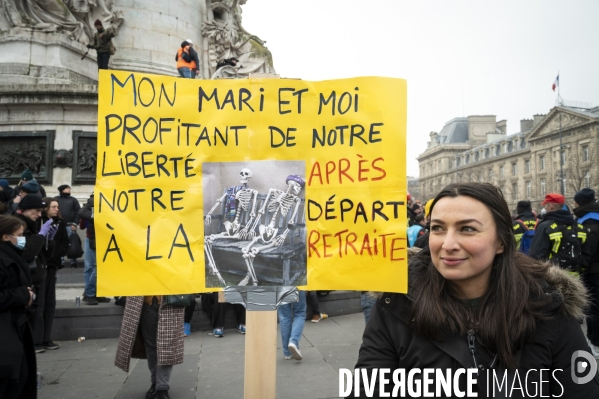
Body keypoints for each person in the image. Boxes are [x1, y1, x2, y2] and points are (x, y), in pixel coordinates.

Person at [354, 183, 599, 396]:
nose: (447, 244)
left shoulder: (548, 305)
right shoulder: (395, 304)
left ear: (501, 241)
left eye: (467, 229)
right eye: (438, 228)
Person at [115, 296, 185, 399]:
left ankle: (162, 387)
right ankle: (156, 382)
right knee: (151, 345)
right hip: (144, 300)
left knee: (167, 346)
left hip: (171, 297)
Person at [14, 195, 57, 354]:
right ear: (24, 210)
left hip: (39, 274)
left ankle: (39, 341)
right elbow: (28, 253)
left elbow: (44, 255)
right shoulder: (18, 227)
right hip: (29, 278)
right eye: (37, 211)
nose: (39, 215)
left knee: (40, 310)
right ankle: (34, 342)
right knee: (32, 312)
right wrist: (40, 236)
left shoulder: (32, 225)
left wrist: (49, 240)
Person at [0, 215, 37, 398]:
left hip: (17, 325)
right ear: (5, 237)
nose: (23, 239)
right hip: (6, 328)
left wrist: (28, 294)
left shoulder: (13, 255)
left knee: (21, 378)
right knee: (13, 382)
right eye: (19, 235)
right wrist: (22, 295)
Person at [35, 198, 69, 352]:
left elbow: (64, 242)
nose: (56, 209)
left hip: (52, 265)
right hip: (39, 266)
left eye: (57, 207)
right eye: (53, 206)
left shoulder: (59, 223)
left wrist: (57, 254)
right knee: (39, 303)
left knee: (49, 303)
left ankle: (46, 338)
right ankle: (37, 339)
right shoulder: (38, 222)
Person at [528, 193, 589, 271]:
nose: (545, 209)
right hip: (577, 278)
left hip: (552, 278)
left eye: (545, 206)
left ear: (551, 207)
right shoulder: (579, 227)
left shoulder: (544, 227)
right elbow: (587, 254)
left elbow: (535, 256)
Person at [573, 188, 599, 358]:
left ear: (581, 203)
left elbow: (589, 251)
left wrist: (581, 267)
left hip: (593, 272)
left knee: (594, 307)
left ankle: (595, 342)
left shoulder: (588, 223)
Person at [78, 193, 109, 305]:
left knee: (97, 268)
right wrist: (96, 216)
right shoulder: (93, 201)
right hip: (93, 238)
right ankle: (90, 293)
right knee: (92, 267)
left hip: (101, 238)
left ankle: (95, 292)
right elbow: (81, 213)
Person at [54, 185, 81, 268]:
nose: (69, 189)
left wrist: (75, 223)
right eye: (67, 188)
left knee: (72, 243)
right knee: (59, 243)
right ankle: (60, 261)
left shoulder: (73, 200)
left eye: (69, 188)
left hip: (70, 225)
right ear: (62, 190)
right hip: (59, 225)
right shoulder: (56, 199)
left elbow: (78, 212)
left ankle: (73, 261)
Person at [278, 290, 306, 360]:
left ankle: (287, 352)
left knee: (284, 317)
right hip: (297, 283)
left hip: (279, 285)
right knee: (300, 313)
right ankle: (293, 341)